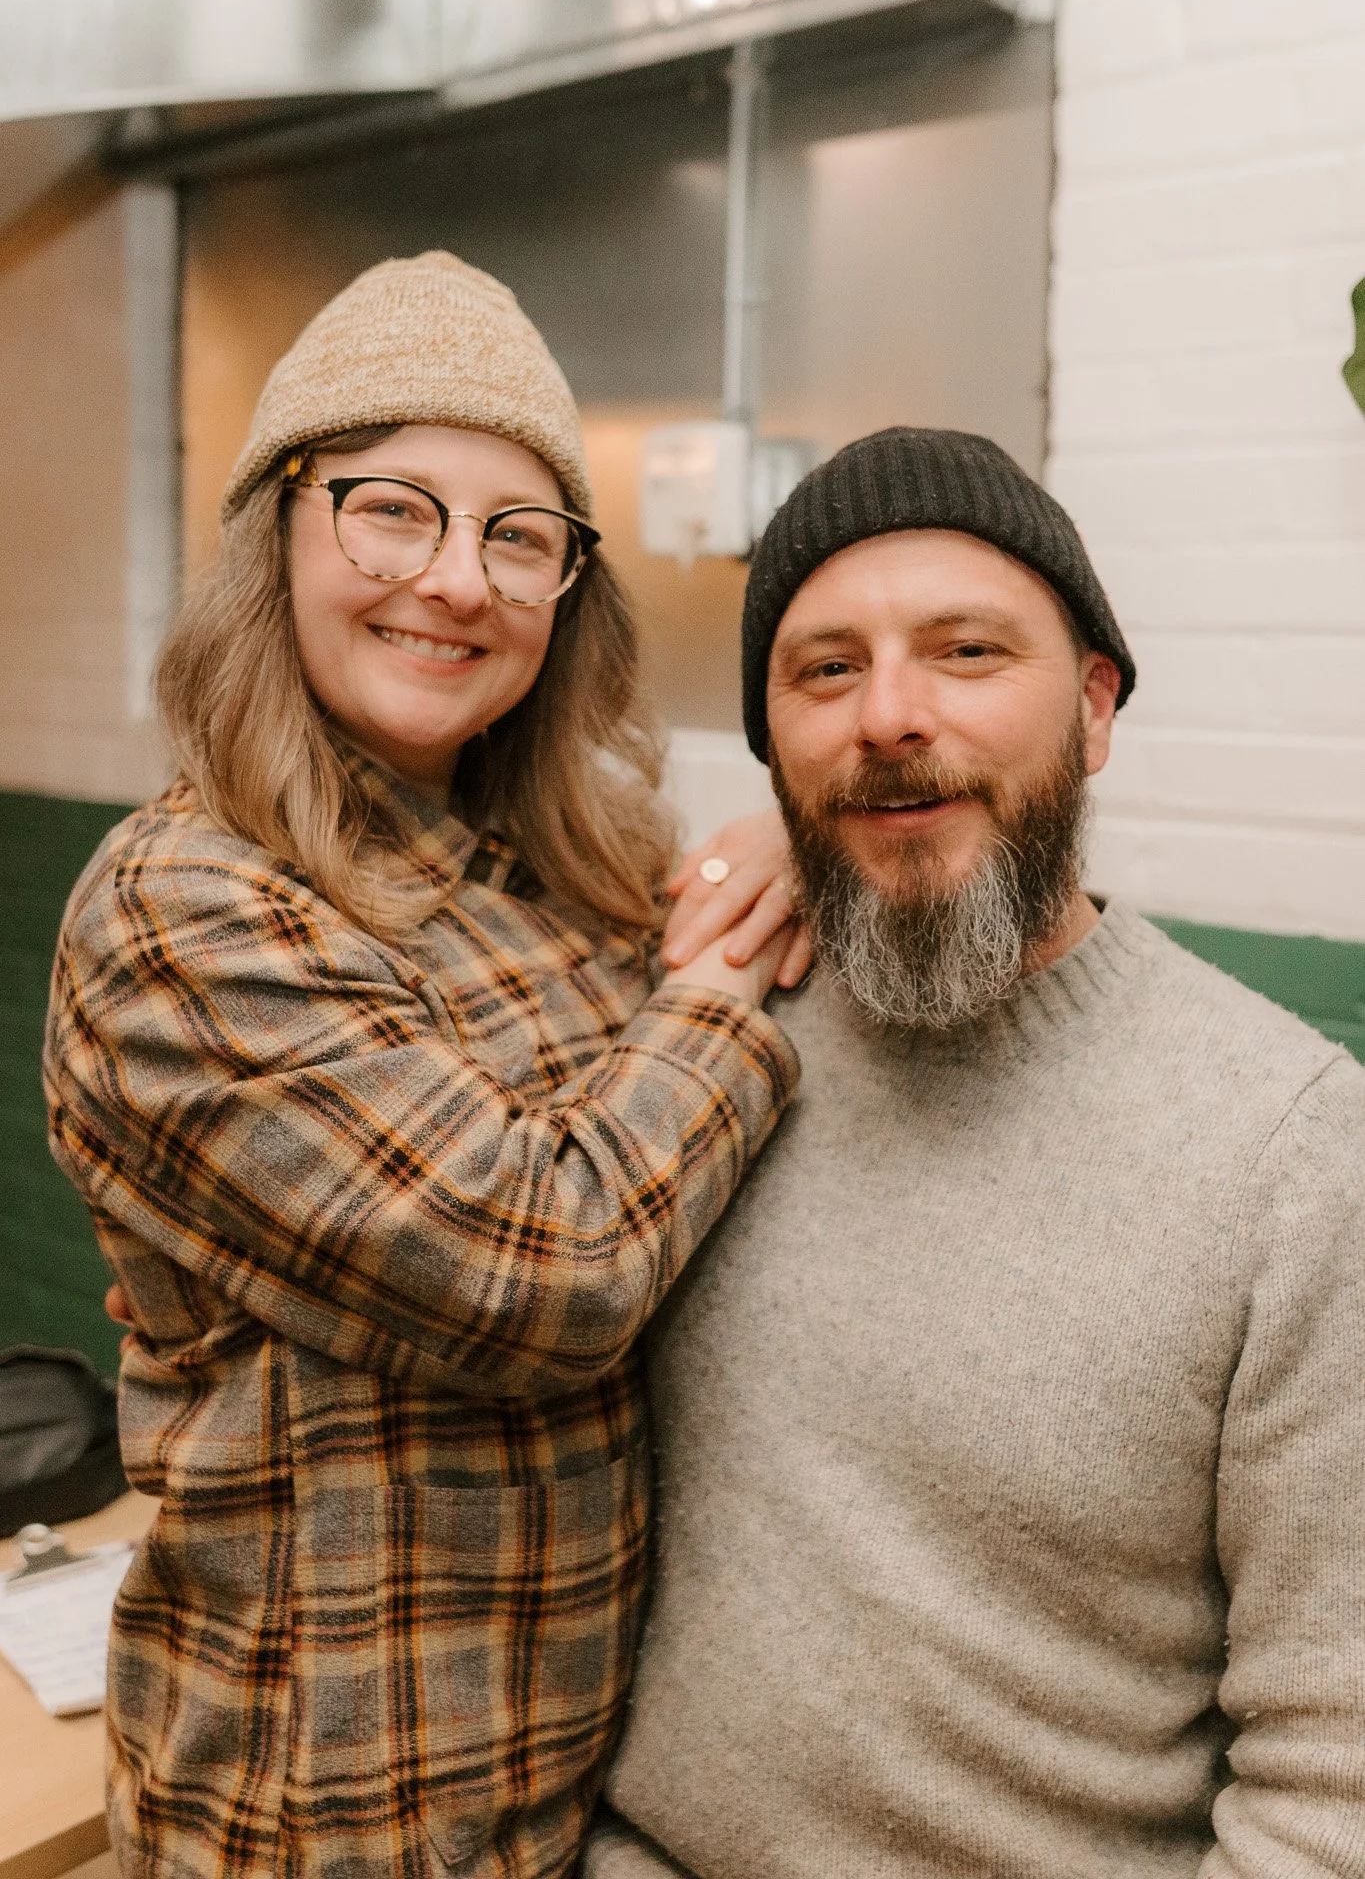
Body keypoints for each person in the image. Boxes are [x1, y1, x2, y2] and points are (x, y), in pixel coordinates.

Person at [43, 252, 806, 1879]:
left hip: (576, 1808)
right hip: (317, 1830)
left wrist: (765, 869)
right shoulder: (185, 905)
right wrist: (725, 997)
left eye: (519, 537)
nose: (457, 581)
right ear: (281, 531)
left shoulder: (570, 873)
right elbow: (553, 1268)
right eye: (393, 508)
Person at [587, 427, 1365, 1879]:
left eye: (965, 653)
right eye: (826, 671)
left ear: (1094, 707)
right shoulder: (694, 1043)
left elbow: (1337, 1781)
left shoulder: (1293, 1152)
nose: (888, 715)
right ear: (770, 742)